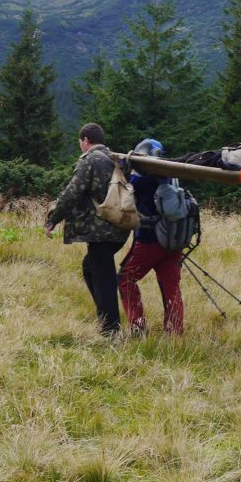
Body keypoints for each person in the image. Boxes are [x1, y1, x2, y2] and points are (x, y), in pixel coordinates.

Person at [45, 123, 129, 336]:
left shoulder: (90, 160)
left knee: (104, 276)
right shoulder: (115, 158)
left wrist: (53, 219)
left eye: (80, 142)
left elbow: (72, 192)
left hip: (100, 230)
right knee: (91, 267)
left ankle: (110, 328)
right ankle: (105, 317)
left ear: (85, 140)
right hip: (121, 226)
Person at [117, 138, 185, 336]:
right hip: (173, 240)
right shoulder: (171, 175)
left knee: (125, 278)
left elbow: (127, 189)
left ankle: (137, 327)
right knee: (170, 286)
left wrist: (124, 171)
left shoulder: (145, 176)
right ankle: (174, 331)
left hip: (149, 240)